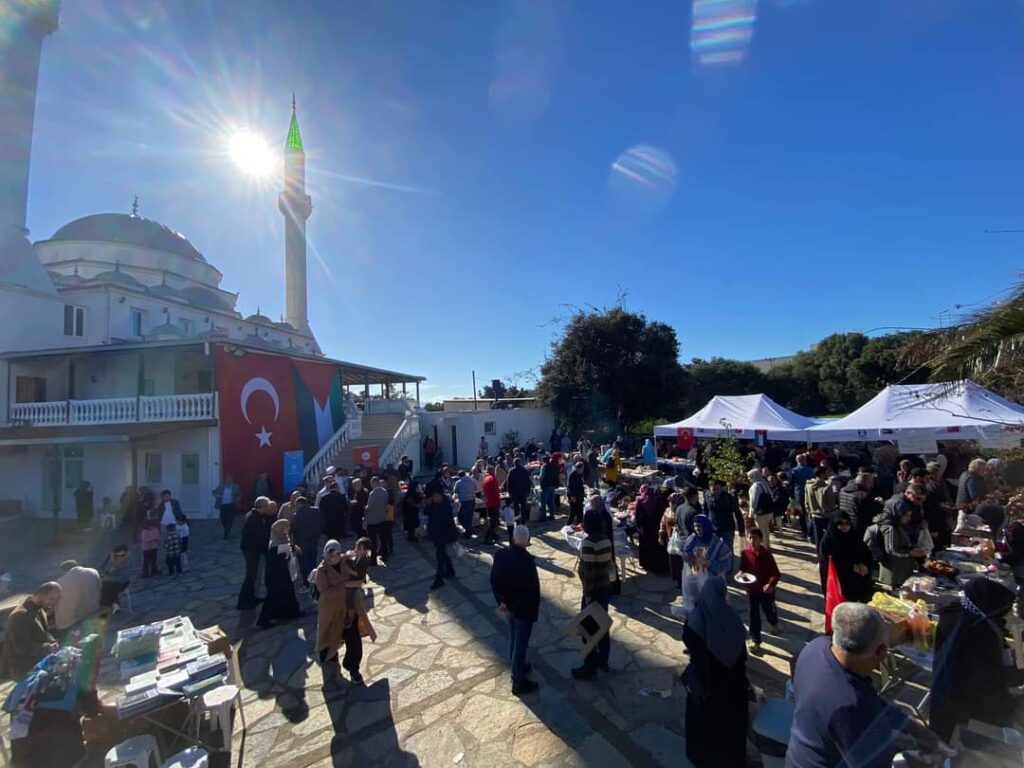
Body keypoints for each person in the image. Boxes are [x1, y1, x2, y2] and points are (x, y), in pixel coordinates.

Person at [787, 603, 940, 768]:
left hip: (800, 753)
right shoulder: (849, 705)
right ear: (881, 651)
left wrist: (912, 728)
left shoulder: (816, 647)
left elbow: (873, 704)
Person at [929, 578, 1024, 741]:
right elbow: (997, 676)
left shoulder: (956, 613)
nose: (1007, 615)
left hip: (944, 696)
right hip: (971, 706)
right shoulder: (981, 634)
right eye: (1005, 610)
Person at [682, 576, 749, 767]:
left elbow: (689, 640)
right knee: (730, 730)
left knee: (705, 729)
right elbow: (742, 655)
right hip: (733, 687)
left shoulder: (697, 617)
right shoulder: (733, 619)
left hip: (707, 686)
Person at [314, 540, 377, 685]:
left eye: (337, 553)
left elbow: (358, 573)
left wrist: (360, 556)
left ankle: (353, 668)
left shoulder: (345, 561)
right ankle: (329, 655)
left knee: (354, 640)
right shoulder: (322, 571)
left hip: (349, 609)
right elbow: (326, 592)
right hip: (331, 611)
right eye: (331, 554)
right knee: (329, 637)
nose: (334, 557)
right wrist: (346, 586)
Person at [490, 525, 541, 696]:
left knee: (514, 638)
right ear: (527, 540)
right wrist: (534, 613)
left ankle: (517, 666)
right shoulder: (527, 562)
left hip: (508, 606)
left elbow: (494, 581)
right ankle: (518, 682)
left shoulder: (501, 555)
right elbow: (532, 591)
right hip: (523, 609)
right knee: (521, 644)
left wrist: (501, 601)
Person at [571, 509, 616, 679]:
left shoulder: (589, 543)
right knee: (602, 626)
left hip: (594, 590)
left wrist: (588, 595)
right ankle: (603, 660)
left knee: (587, 630)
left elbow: (589, 572)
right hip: (605, 587)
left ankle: (589, 667)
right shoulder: (605, 540)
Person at [0, 583, 61, 681]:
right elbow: (21, 647)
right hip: (25, 671)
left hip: (38, 665)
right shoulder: (19, 615)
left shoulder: (39, 609)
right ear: (40, 596)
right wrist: (47, 647)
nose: (55, 603)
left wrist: (52, 641)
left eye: (57, 599)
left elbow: (43, 632)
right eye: (52, 599)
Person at [739, 528, 781, 652]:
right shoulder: (745, 553)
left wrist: (770, 584)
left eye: (755, 538)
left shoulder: (766, 554)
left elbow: (776, 574)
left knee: (769, 610)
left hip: (766, 591)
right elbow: (743, 569)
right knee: (753, 615)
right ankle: (755, 640)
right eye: (750, 538)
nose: (752, 541)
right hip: (752, 590)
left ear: (761, 540)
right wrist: (741, 575)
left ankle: (774, 623)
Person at [817, 511, 874, 603]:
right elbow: (828, 563)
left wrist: (865, 565)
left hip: (857, 578)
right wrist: (851, 567)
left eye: (847, 523)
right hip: (840, 580)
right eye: (840, 523)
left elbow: (866, 553)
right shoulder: (828, 541)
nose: (844, 526)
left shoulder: (854, 535)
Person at [257, 520, 302, 628]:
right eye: (286, 527)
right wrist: (289, 551)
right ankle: (263, 620)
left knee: (288, 592)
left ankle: (290, 613)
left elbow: (287, 548)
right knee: (273, 596)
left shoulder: (282, 539)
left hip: (283, 573)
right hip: (275, 576)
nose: (288, 529)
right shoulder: (275, 544)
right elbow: (278, 556)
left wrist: (292, 548)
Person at [872, 500, 924, 589]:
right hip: (892, 573)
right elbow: (891, 550)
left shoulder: (897, 525)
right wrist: (910, 553)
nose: (909, 519)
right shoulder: (890, 527)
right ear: (898, 514)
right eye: (906, 516)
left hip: (898, 571)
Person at [237, 496, 275, 610]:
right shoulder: (254, 519)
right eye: (267, 506)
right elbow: (257, 537)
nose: (268, 508)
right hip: (251, 550)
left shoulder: (255, 515)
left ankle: (251, 597)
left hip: (252, 549)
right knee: (250, 575)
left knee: (253, 575)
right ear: (262, 507)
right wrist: (265, 549)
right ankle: (243, 601)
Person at [704, 478, 744, 565]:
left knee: (728, 549)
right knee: (713, 549)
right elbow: (706, 510)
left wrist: (741, 529)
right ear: (710, 488)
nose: (715, 491)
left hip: (727, 528)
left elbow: (738, 513)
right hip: (713, 528)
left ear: (721, 488)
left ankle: (728, 569)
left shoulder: (729, 498)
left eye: (717, 489)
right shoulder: (707, 495)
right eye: (713, 489)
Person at [425, 482, 457, 589]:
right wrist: (429, 503)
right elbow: (426, 512)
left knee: (439, 557)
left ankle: (439, 579)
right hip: (435, 533)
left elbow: (449, 523)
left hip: (443, 535)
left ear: (441, 495)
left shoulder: (445, 506)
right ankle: (450, 569)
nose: (434, 498)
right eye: (433, 496)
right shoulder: (433, 504)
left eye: (436, 496)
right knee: (442, 553)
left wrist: (449, 536)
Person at [54, 560, 100, 633]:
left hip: (74, 619)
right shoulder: (93, 571)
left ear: (65, 570)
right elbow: (99, 588)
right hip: (93, 610)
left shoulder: (60, 581)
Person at [838, 468, 881, 539]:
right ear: (864, 482)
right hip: (860, 529)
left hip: (845, 525)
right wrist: (879, 504)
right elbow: (870, 515)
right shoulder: (864, 496)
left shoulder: (843, 491)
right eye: (871, 482)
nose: (872, 485)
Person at [292, 497, 322, 586]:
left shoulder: (297, 514)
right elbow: (323, 523)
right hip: (314, 541)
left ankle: (307, 583)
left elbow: (293, 529)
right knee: (313, 562)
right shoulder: (317, 511)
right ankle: (314, 580)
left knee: (304, 565)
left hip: (302, 543)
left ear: (299, 504)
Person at [805, 465, 837, 546]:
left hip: (814, 514)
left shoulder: (808, 485)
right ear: (822, 474)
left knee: (818, 536)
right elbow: (831, 504)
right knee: (830, 536)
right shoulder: (826, 487)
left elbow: (806, 501)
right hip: (826, 515)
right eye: (826, 473)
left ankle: (819, 553)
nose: (828, 475)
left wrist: (809, 511)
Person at [364, 477, 390, 565]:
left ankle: (373, 560)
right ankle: (385, 554)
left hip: (373, 520)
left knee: (373, 541)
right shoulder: (384, 491)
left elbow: (370, 507)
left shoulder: (373, 493)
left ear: (373, 483)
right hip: (382, 518)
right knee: (383, 538)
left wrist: (365, 509)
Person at [790, 453, 816, 539]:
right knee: (810, 512)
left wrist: (791, 495)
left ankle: (804, 532)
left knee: (801, 514)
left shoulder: (794, 470)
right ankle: (811, 531)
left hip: (799, 493)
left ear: (797, 461)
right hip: (810, 493)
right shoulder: (810, 470)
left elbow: (791, 483)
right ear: (804, 460)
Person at [747, 468, 774, 550]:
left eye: (749, 477)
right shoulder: (764, 483)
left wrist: (751, 513)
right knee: (766, 529)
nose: (748, 478)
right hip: (768, 511)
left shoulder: (755, 486)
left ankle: (763, 546)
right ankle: (767, 545)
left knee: (761, 530)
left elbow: (753, 501)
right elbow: (771, 494)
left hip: (760, 512)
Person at [318, 475, 349, 541]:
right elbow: (346, 508)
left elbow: (321, 509)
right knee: (337, 538)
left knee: (330, 538)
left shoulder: (324, 498)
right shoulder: (342, 497)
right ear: (337, 488)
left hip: (329, 521)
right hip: (339, 521)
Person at [506, 458, 532, 531]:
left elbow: (509, 483)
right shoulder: (524, 470)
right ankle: (523, 522)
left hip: (515, 493)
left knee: (516, 508)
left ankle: (517, 522)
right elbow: (528, 481)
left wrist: (509, 492)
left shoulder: (511, 471)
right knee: (523, 507)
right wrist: (528, 490)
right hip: (523, 492)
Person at [453, 470, 478, 537]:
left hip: (464, 501)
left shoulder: (459, 482)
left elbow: (455, 491)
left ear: (459, 476)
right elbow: (475, 489)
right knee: (469, 516)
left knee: (461, 517)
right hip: (472, 500)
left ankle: (469, 529)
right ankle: (469, 531)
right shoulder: (472, 480)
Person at [481, 467, 502, 544]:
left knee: (492, 520)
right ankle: (487, 538)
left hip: (488, 502)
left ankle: (494, 535)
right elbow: (496, 492)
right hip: (494, 502)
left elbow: (484, 490)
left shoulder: (485, 479)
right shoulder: (493, 479)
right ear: (492, 471)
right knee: (494, 521)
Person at [401, 477, 423, 542]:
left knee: (412, 525)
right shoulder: (410, 492)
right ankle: (410, 537)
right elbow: (409, 500)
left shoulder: (414, 491)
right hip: (409, 511)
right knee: (410, 525)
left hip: (412, 510)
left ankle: (412, 536)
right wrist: (416, 505)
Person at [566, 461, 586, 527]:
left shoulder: (579, 475)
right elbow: (570, 487)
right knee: (573, 512)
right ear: (579, 468)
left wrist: (583, 493)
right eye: (582, 468)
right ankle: (568, 525)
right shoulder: (572, 475)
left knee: (580, 512)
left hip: (579, 496)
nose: (583, 470)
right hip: (574, 496)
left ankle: (579, 524)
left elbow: (580, 485)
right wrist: (572, 496)